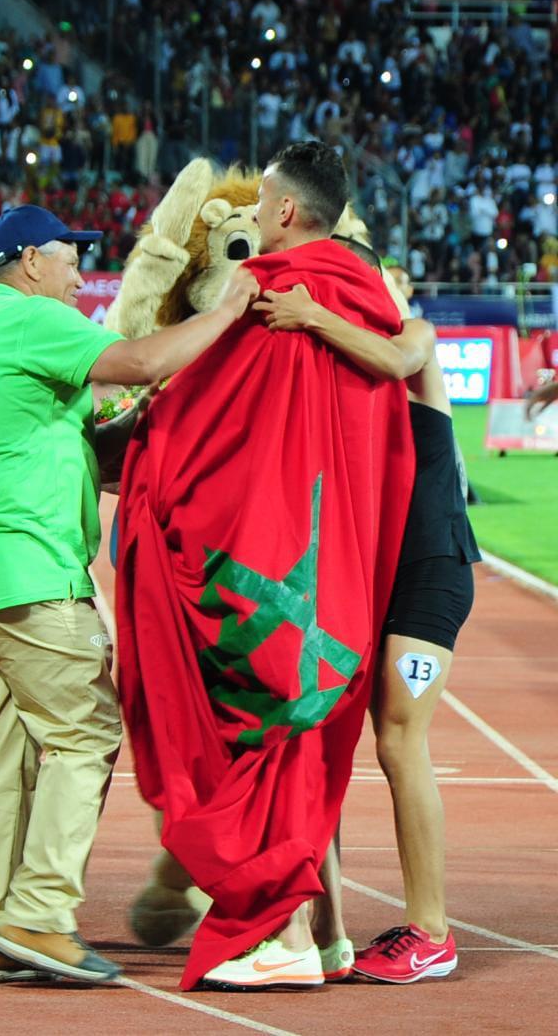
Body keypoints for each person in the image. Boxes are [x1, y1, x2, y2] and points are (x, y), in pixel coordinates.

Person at [112, 143, 415, 992]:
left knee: (265, 746)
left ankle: (275, 937)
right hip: (344, 579)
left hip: (272, 570)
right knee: (310, 749)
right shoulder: (368, 300)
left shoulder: (276, 300)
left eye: (256, 211)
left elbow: (195, 422)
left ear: (284, 212)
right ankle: (329, 934)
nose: (247, 226)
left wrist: (149, 477)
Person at [0, 204, 256, 986]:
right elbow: (141, 361)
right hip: (28, 572)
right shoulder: (27, 321)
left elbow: (96, 445)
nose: (82, 270)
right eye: (70, 255)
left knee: (6, 752)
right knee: (85, 734)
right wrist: (232, 309)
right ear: (29, 262)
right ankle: (40, 914)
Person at [256, 241, 479, 984]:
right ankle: (321, 920)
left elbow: (394, 360)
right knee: (332, 734)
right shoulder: (335, 365)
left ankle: (433, 932)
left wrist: (311, 314)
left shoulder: (412, 336)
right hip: (371, 580)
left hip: (430, 573)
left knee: (397, 736)